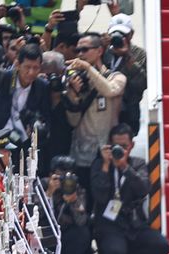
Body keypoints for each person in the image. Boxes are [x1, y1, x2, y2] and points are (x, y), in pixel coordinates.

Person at [90, 123, 169, 254]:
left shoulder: (137, 164)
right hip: (109, 223)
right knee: (114, 252)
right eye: (116, 146)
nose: (120, 150)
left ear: (131, 145)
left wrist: (125, 168)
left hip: (133, 222)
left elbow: (144, 189)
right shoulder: (100, 165)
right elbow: (99, 196)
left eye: (124, 146)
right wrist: (106, 165)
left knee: (161, 245)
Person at [65, 33, 126, 191]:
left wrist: (88, 68)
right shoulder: (77, 81)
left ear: (99, 51)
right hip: (81, 153)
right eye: (78, 50)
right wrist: (73, 97)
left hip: (105, 153)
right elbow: (73, 121)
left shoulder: (116, 76)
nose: (80, 55)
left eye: (84, 50)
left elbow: (110, 90)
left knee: (104, 199)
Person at [45, 154, 90, 254]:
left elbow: (81, 221)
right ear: (51, 175)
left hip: (65, 235)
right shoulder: (42, 186)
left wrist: (73, 201)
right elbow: (33, 213)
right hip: (45, 234)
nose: (64, 180)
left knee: (83, 233)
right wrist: (49, 193)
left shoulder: (77, 189)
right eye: (60, 176)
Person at [104, 14, 146, 136]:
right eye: (115, 33)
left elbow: (142, 85)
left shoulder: (139, 54)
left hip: (128, 110)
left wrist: (128, 58)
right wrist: (102, 48)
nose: (119, 37)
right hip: (105, 109)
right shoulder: (103, 51)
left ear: (131, 34)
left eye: (123, 34)